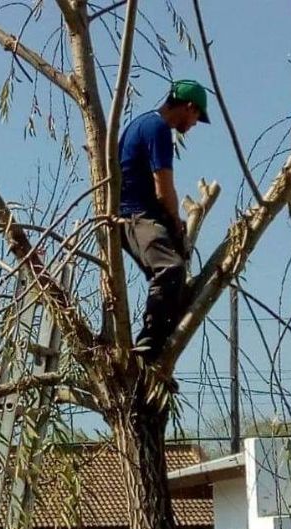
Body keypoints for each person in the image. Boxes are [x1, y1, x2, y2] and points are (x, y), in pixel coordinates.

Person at [118, 79, 210, 360]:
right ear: (188, 107)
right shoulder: (158, 128)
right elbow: (163, 188)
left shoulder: (144, 123)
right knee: (170, 269)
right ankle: (148, 347)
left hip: (134, 215)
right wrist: (174, 222)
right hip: (136, 217)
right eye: (196, 117)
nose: (194, 125)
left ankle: (158, 352)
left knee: (174, 285)